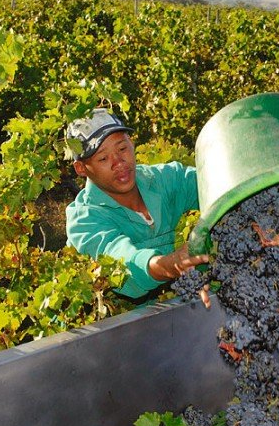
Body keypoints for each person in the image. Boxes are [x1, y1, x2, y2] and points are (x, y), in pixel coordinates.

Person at [65, 108, 210, 299]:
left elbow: (213, 185)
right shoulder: (84, 221)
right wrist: (169, 265)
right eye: (103, 158)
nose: (119, 162)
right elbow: (121, 260)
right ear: (81, 168)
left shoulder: (166, 180)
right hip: (131, 324)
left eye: (122, 149)